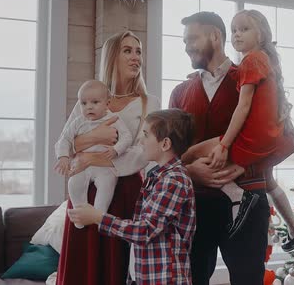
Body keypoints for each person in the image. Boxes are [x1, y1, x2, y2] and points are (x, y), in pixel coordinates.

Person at [169, 11, 294, 285]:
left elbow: (286, 140)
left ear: (215, 36)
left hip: (247, 203)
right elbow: (168, 154)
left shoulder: (252, 76)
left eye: (192, 38)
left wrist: (241, 163)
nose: (187, 46)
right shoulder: (180, 92)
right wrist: (191, 172)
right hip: (194, 206)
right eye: (185, 40)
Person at [56, 31, 160, 285]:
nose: (136, 57)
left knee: (115, 265)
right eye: (128, 51)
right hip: (84, 191)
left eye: (139, 51)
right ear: (112, 56)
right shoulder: (89, 100)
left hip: (124, 194)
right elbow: (68, 142)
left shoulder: (150, 103)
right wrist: (90, 141)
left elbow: (144, 153)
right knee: (82, 266)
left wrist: (91, 159)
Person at [68, 109, 197, 285]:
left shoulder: (174, 180)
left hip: (165, 279)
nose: (140, 140)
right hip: (145, 276)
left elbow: (145, 231)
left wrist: (98, 217)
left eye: (145, 135)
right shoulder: (156, 177)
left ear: (165, 143)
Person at [54, 80, 132, 228]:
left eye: (95, 102)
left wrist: (117, 149)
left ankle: (98, 215)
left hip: (104, 166)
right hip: (82, 166)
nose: (89, 106)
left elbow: (127, 137)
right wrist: (63, 156)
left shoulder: (113, 119)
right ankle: (80, 212)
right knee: (74, 183)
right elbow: (65, 139)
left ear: (107, 103)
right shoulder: (78, 121)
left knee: (107, 184)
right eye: (83, 103)